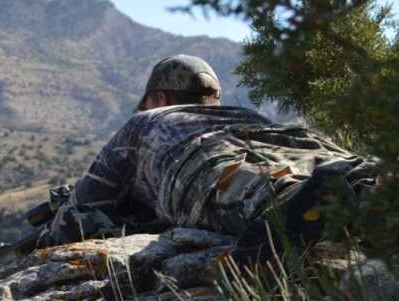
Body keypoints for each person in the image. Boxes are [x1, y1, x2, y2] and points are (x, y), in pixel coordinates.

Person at [42, 54, 377, 257]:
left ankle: (295, 201)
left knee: (254, 190)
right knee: (342, 175)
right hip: (293, 145)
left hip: (202, 166)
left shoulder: (145, 122)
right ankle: (369, 186)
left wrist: (48, 234)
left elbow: (82, 211)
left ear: (159, 98)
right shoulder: (246, 114)